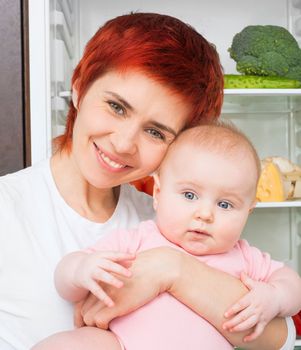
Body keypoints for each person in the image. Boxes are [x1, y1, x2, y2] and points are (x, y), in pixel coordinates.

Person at [0, 12, 294, 350]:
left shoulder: (172, 221)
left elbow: (279, 339)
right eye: (116, 107)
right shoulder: (8, 209)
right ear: (79, 88)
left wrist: (171, 270)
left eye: (155, 131)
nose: (124, 143)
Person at [32, 122, 301, 350]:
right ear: (158, 194)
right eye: (189, 195)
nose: (205, 214)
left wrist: (275, 296)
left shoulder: (245, 257)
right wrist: (81, 269)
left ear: (248, 212)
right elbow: (66, 282)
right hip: (123, 343)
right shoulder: (138, 239)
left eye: (225, 204)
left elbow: (292, 284)